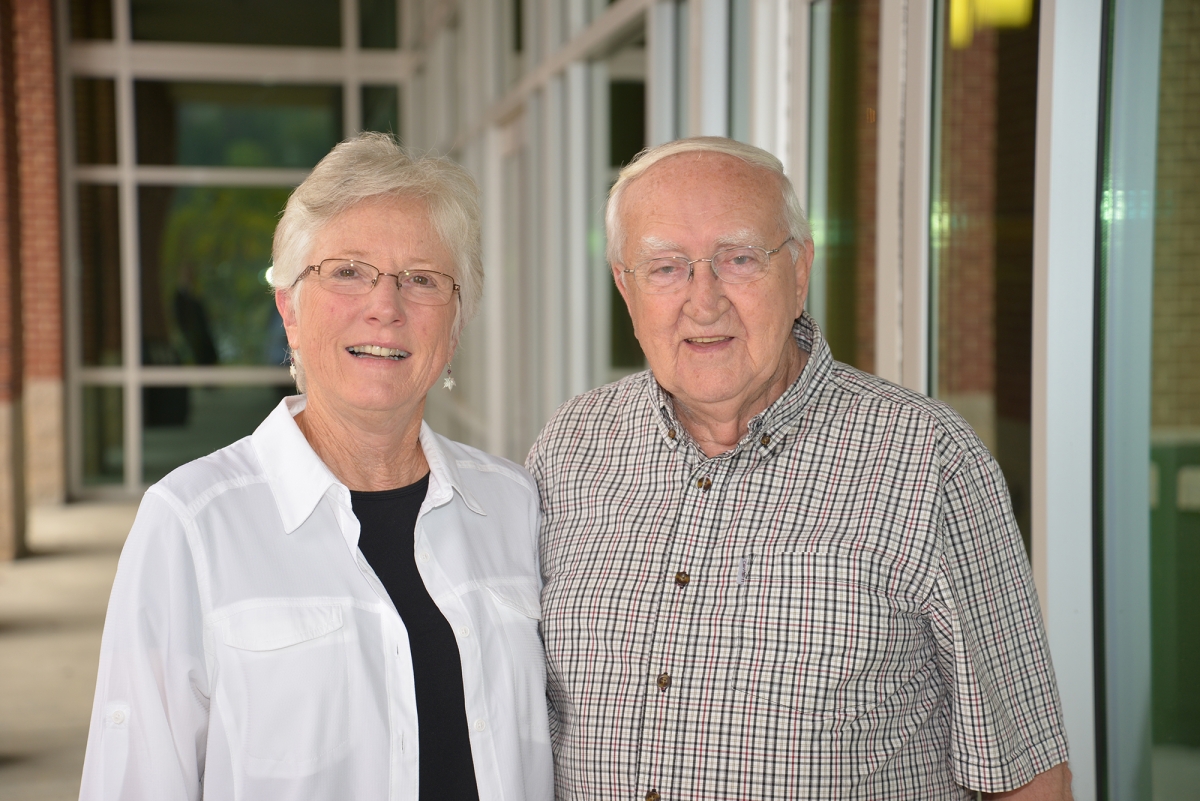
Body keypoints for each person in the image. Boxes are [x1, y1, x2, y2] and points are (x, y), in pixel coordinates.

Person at [527, 137, 1072, 800]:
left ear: (800, 270)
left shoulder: (929, 463)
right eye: (666, 267)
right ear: (625, 286)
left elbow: (1027, 776)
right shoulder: (569, 450)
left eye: (739, 258)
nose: (705, 300)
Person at [79, 133, 553, 801]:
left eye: (421, 279)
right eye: (348, 271)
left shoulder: (513, 505)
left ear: (456, 322)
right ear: (290, 310)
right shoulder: (191, 524)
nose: (385, 307)